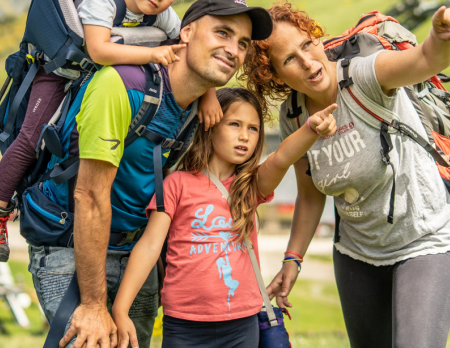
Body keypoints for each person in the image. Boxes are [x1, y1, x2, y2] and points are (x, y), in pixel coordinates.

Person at [32, 0, 274, 348]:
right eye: (222, 33)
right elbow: (91, 196)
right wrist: (94, 304)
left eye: (242, 44)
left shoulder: (198, 107)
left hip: (135, 256)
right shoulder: (121, 87)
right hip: (71, 248)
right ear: (186, 33)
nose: (234, 50)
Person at [0, 0, 222, 262]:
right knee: (31, 138)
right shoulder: (104, 1)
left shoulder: (163, 15)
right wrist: (151, 53)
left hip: (100, 81)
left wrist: (209, 93)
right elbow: (99, 50)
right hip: (61, 73)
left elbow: (189, 51)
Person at [240, 0, 450, 348]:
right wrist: (293, 258)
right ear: (274, 75)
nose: (307, 62)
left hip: (426, 240)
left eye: (307, 44)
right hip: (357, 254)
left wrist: (440, 34)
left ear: (319, 39)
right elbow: (310, 192)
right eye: (289, 59)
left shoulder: (365, 76)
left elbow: (426, 60)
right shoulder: (295, 116)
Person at [112, 87, 337, 348]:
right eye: (234, 124)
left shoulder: (251, 186)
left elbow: (282, 159)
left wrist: (311, 128)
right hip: (184, 326)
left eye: (253, 129)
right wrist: (121, 308)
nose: (244, 136)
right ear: (210, 124)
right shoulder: (176, 184)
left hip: (242, 325)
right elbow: (150, 246)